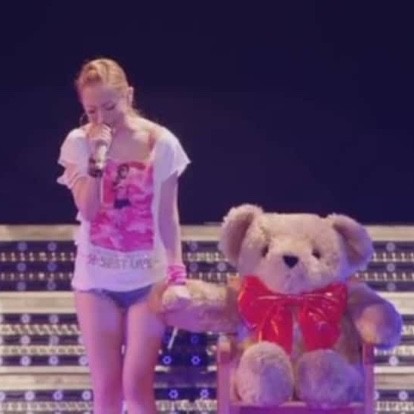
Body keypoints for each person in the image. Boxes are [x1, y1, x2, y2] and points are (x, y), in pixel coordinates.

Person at [57, 57, 190, 414]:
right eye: (91, 111)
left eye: (110, 106)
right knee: (106, 389)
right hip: (96, 279)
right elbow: (88, 210)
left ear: (129, 95)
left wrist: (177, 272)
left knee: (136, 386)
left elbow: (168, 215)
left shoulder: (161, 143)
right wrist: (97, 160)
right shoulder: (78, 142)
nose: (102, 118)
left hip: (148, 279)